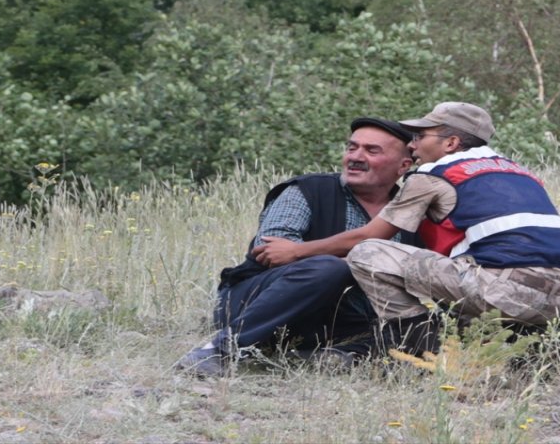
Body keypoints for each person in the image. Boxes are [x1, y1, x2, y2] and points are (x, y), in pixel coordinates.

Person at [252, 102, 560, 353]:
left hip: (500, 290)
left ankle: (414, 347)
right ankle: (530, 347)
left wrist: (297, 251)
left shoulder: (433, 175)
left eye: (420, 136)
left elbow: (370, 237)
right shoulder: (517, 171)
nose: (412, 145)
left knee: (368, 254)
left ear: (451, 143)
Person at [175, 117, 414, 376]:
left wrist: (357, 264)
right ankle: (219, 350)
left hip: (339, 321)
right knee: (328, 269)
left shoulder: (414, 213)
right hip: (255, 306)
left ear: (404, 166)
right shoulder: (308, 190)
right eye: (351, 147)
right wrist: (368, 267)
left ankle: (313, 357)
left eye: (372, 150)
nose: (355, 157)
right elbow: (269, 252)